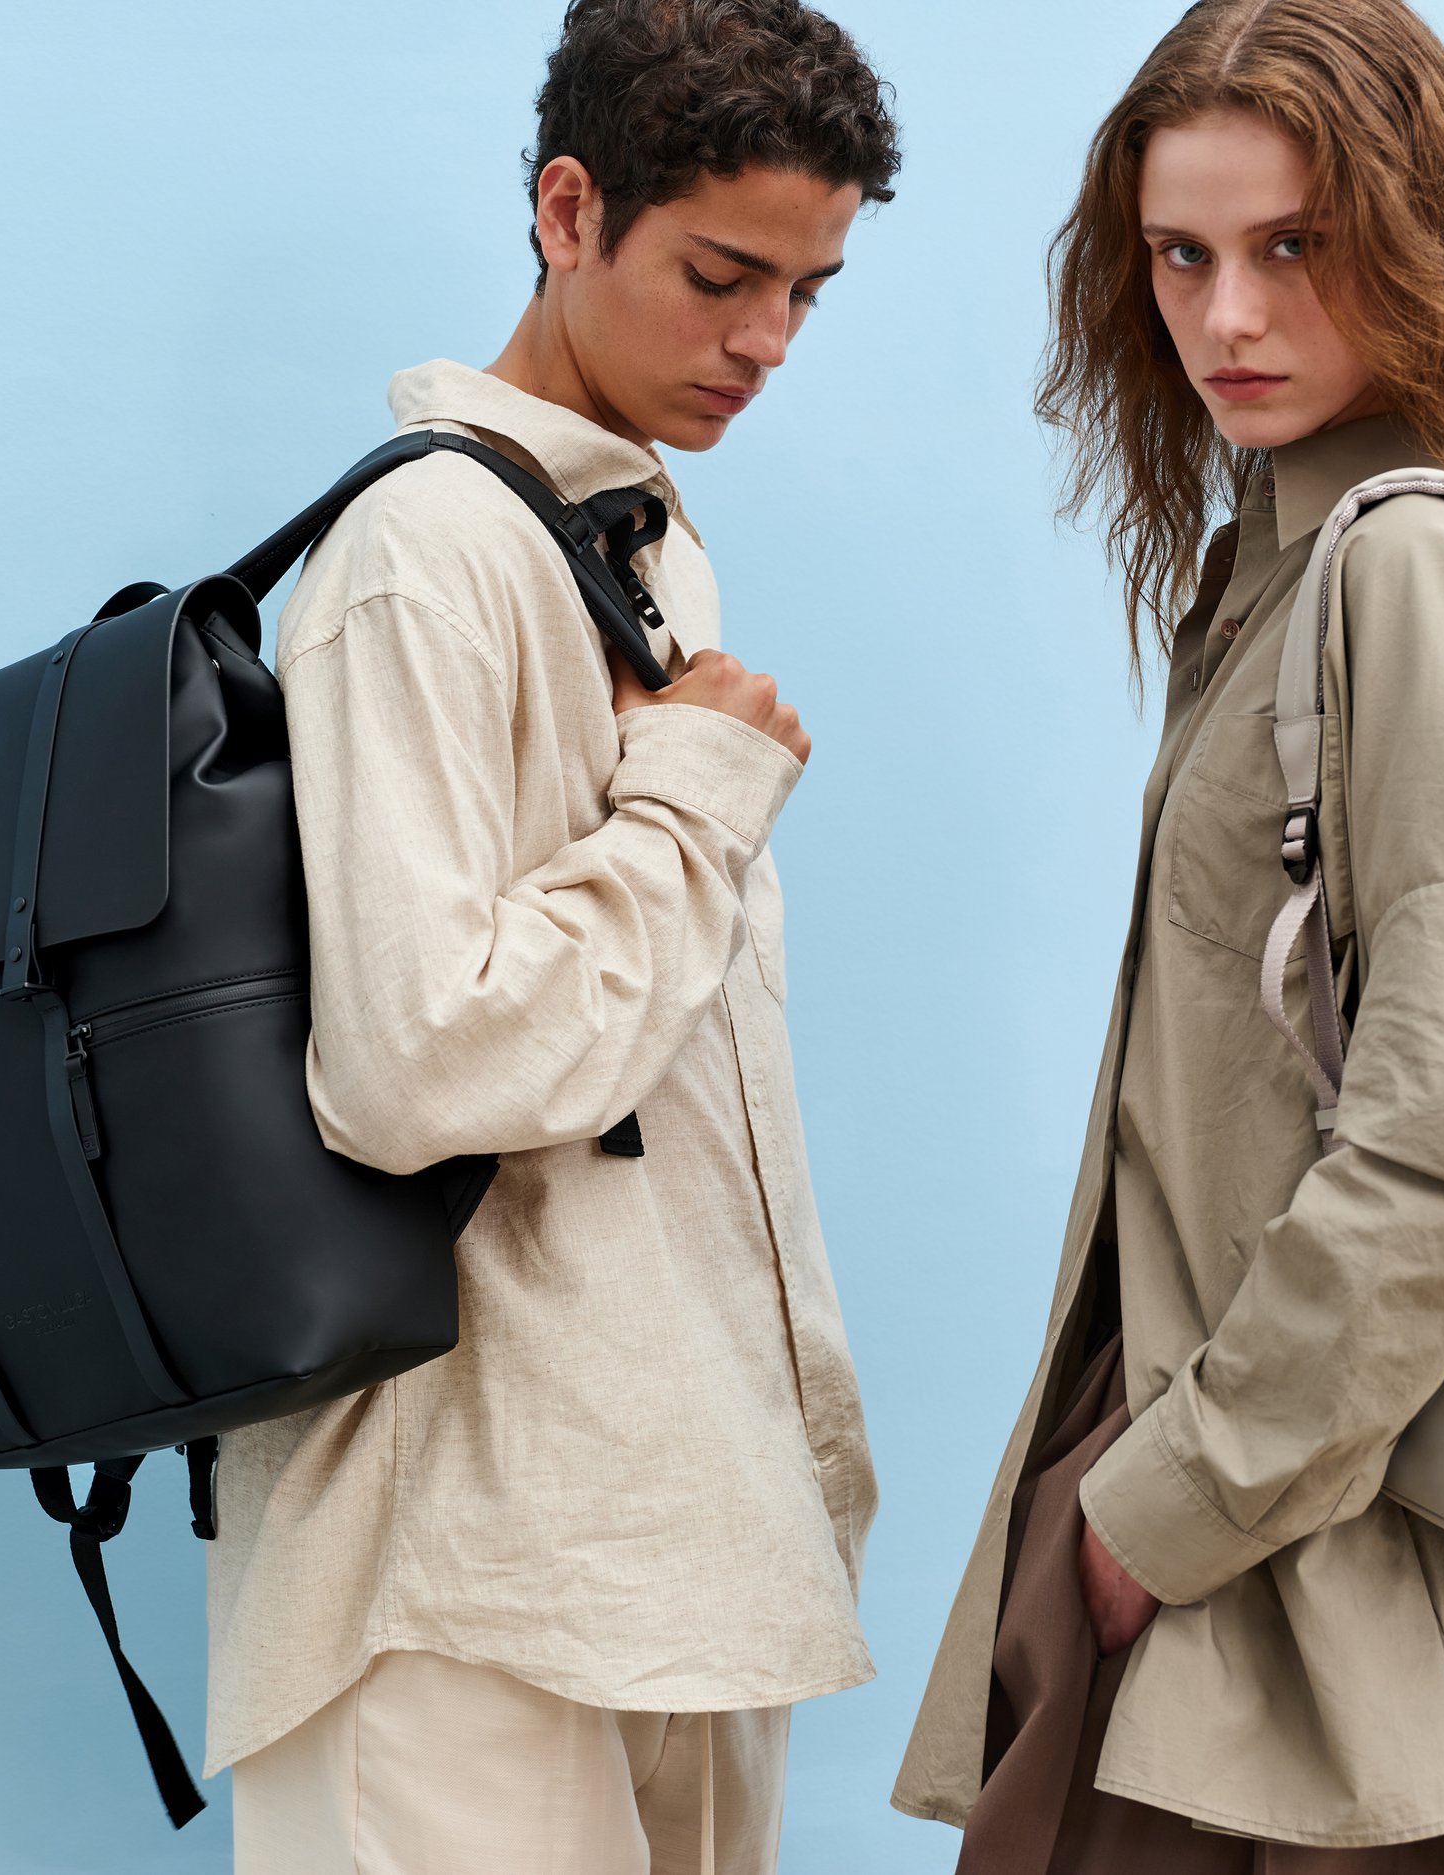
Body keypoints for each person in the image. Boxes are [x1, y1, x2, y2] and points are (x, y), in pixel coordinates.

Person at [896, 3, 1444, 1871]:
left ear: (1420, 240)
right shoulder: (1282, 570)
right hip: (1254, 1599)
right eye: (1182, 255)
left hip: (1333, 1642)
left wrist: (1165, 1509)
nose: (1229, 317)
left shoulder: (1408, 572)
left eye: (1295, 246)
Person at [206, 5, 899, 1870]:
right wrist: (687, 800)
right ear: (569, 210)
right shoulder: (425, 555)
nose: (764, 339)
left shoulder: (643, 551)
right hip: (451, 1568)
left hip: (664, 1534)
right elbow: (417, 1062)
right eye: (722, 273)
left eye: (810, 291)